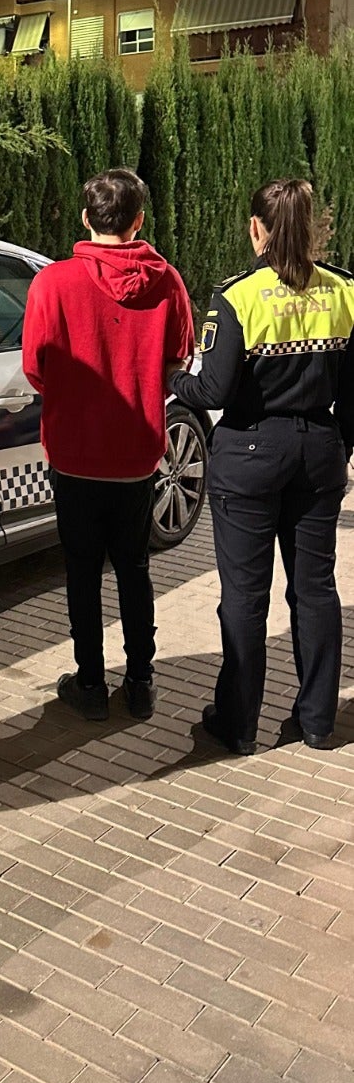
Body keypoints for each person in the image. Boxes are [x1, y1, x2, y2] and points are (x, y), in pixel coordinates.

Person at [170, 179, 354, 754]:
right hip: (320, 450)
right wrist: (338, 445)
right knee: (316, 588)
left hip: (248, 455)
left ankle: (239, 725)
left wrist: (170, 378)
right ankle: (319, 721)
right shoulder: (346, 291)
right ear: (312, 227)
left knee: (245, 598)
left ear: (257, 229)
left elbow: (214, 386)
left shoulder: (237, 295)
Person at [22, 169, 195, 722]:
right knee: (135, 568)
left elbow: (34, 368)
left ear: (85, 219)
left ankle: (91, 684)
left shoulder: (52, 284)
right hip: (136, 454)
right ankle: (141, 682)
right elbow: (180, 357)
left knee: (80, 572)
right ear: (139, 220)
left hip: (73, 455)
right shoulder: (166, 282)